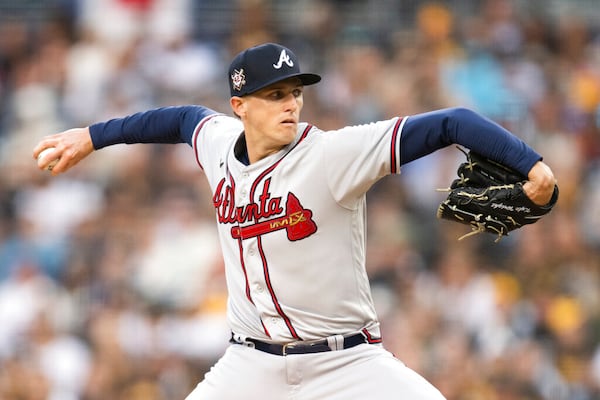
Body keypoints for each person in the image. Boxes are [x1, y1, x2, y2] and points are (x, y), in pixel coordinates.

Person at [33, 43, 556, 399]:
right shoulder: (217, 143)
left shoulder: (333, 155)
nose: (291, 104)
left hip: (347, 364)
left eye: (295, 92)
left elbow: (452, 123)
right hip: (250, 365)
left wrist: (532, 165)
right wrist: (93, 136)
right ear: (239, 106)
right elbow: (177, 119)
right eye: (275, 95)